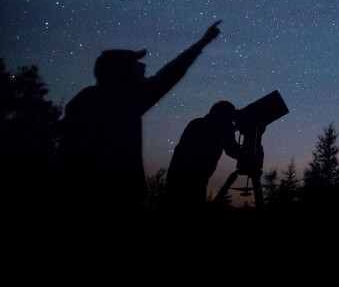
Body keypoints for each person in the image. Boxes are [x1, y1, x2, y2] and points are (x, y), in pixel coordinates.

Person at [54, 21, 223, 211]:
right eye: (136, 65)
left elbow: (170, 74)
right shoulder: (111, 102)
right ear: (120, 72)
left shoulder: (109, 100)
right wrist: (202, 42)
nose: (143, 68)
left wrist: (202, 42)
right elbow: (169, 75)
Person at [166, 101, 241, 211]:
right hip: (188, 182)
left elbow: (231, 149)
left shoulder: (199, 124)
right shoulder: (206, 127)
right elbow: (232, 150)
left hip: (186, 180)